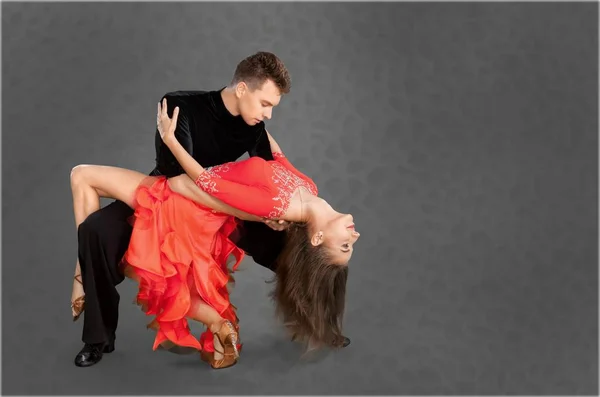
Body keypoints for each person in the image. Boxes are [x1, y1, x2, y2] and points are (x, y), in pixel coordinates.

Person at [70, 51, 350, 368]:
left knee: (313, 250)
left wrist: (284, 214)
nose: (269, 114)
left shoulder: (253, 123)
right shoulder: (179, 107)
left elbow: (272, 167)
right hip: (172, 194)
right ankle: (96, 338)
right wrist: (252, 211)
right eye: (265, 104)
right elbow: (175, 179)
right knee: (97, 231)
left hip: (220, 197)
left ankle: (323, 325)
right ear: (242, 89)